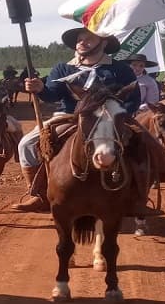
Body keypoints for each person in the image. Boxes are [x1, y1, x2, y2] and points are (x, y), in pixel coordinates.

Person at [10, 27, 142, 212]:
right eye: (80, 39)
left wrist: (118, 116)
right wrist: (40, 89)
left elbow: (133, 98)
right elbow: (52, 96)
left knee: (144, 143)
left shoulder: (120, 69)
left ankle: (138, 197)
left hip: (111, 117)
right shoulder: (63, 68)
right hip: (69, 116)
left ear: (104, 42)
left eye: (88, 38)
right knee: (26, 144)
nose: (82, 41)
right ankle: (40, 195)